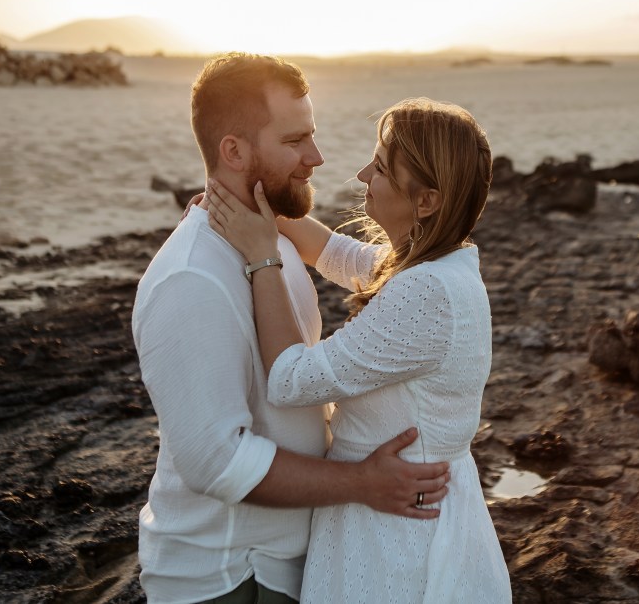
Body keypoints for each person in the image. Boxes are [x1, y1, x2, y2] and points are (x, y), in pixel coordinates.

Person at [131, 54, 451, 604]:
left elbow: (357, 260)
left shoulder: (272, 241)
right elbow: (216, 462)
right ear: (234, 150)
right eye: (296, 140)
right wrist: (363, 484)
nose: (317, 158)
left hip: (286, 562)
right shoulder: (190, 279)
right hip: (228, 576)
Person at [206, 97, 512, 602]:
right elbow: (334, 252)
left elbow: (289, 378)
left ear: (427, 201)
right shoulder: (435, 267)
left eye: (383, 167)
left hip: (397, 534)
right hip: (401, 505)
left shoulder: (426, 293)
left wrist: (262, 257)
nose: (362, 172)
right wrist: (260, 203)